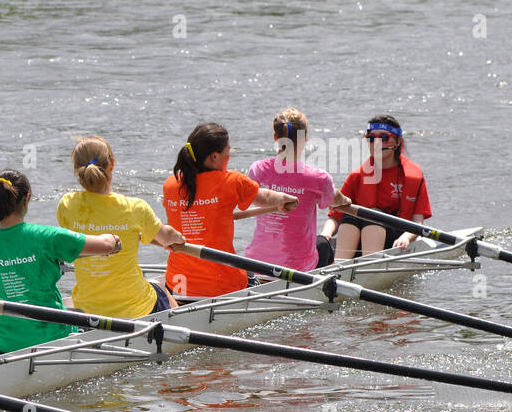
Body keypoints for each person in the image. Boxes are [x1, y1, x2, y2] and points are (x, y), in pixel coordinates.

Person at [0, 169, 120, 353]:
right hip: (50, 335)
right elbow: (106, 244)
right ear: (27, 197)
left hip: (0, 340)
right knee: (83, 316)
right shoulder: (47, 237)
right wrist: (114, 239)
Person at [162, 122, 298, 298]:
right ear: (214, 157)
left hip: (178, 283)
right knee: (248, 273)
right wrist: (286, 199)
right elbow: (263, 198)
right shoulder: (232, 181)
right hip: (223, 286)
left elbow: (204, 211)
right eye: (228, 150)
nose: (230, 154)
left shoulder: (170, 185)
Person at [56, 137, 185, 318]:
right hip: (135, 309)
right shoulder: (134, 208)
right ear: (112, 164)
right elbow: (167, 237)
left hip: (88, 309)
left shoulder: (66, 205)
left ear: (77, 171)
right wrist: (179, 239)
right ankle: (179, 328)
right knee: (160, 286)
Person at [245, 108, 352, 270]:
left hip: (255, 262)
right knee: (323, 244)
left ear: (276, 138)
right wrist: (346, 200)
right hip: (299, 268)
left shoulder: (257, 169)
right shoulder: (318, 178)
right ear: (304, 139)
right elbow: (335, 199)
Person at [320, 115, 432, 259]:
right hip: (360, 239)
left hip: (397, 241)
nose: (376, 143)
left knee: (372, 216)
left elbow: (418, 222)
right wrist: (325, 235)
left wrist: (407, 238)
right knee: (350, 217)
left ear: (397, 142)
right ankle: (340, 265)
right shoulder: (357, 176)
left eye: (384, 138)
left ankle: (370, 265)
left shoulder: (413, 177)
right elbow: (335, 217)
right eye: (371, 138)